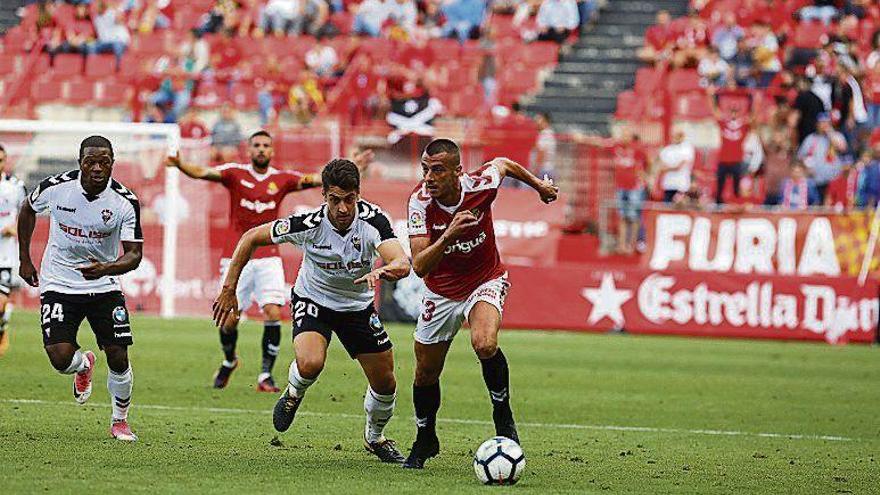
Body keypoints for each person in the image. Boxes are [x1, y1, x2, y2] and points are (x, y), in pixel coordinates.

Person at [213, 159, 411, 463]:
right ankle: (293, 393)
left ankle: (375, 438)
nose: (343, 208)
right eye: (335, 200)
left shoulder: (374, 221)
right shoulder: (308, 224)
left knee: (386, 383)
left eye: (349, 199)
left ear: (358, 194)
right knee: (310, 363)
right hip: (314, 299)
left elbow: (401, 261)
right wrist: (229, 289)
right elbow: (250, 237)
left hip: (357, 307)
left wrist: (385, 271)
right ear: (324, 197)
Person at [165, 131, 372, 392]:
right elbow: (203, 172)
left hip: (268, 256)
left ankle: (265, 375)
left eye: (266, 146)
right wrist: (181, 164)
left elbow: (318, 180)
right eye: (256, 146)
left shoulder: (281, 179)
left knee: (273, 311)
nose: (261, 150)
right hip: (235, 255)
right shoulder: (234, 173)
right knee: (229, 321)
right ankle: (230, 360)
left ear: (272, 151)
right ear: (249, 150)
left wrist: (349, 167)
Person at [402, 139, 558, 469]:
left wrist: (539, 186)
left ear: (457, 172)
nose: (429, 177)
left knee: (484, 343)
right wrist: (448, 236)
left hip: (484, 278)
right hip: (441, 292)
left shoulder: (480, 184)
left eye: (438, 170)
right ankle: (425, 437)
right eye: (425, 170)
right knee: (426, 372)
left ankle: (503, 416)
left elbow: (503, 162)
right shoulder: (418, 204)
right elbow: (419, 265)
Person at [17, 136, 143, 441]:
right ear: (80, 163)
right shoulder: (55, 188)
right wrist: (25, 259)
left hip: (103, 284)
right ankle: (84, 363)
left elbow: (134, 254)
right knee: (60, 359)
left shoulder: (125, 201)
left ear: (113, 162)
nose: (98, 168)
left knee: (118, 355)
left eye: (104, 162)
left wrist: (106, 269)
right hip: (58, 282)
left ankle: (120, 421)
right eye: (91, 162)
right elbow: (27, 209)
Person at [708, 87, 755, 204]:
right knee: (719, 188)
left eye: (736, 111)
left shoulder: (743, 126)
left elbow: (752, 118)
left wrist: (753, 101)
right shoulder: (724, 124)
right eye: (732, 111)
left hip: (737, 161)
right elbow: (715, 112)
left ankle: (735, 208)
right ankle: (718, 207)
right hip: (723, 160)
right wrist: (711, 96)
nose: (733, 114)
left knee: (736, 189)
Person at [0, 145, 27, 357]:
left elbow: (27, 214)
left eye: (1, 160)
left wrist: (16, 228)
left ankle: (2, 329)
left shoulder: (16, 186)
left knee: (0, 302)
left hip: (5, 255)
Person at [797, 112, 848, 200]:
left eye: (826, 122)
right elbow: (800, 157)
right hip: (815, 181)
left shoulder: (837, 136)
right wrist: (806, 167)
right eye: (821, 122)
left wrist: (830, 133)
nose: (824, 125)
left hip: (833, 180)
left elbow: (842, 148)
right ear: (817, 124)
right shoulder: (811, 138)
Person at [611, 131, 647, 254]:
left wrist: (645, 177)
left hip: (634, 188)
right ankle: (622, 245)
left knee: (633, 216)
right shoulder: (616, 148)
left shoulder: (637, 150)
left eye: (626, 135)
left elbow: (648, 162)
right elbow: (600, 142)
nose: (622, 137)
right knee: (622, 216)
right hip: (621, 186)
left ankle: (631, 244)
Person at [657, 130, 695, 203]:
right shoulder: (667, 150)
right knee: (667, 209)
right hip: (668, 184)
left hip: (681, 185)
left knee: (680, 209)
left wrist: (668, 168)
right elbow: (661, 166)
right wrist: (672, 167)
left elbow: (679, 167)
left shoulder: (687, 149)